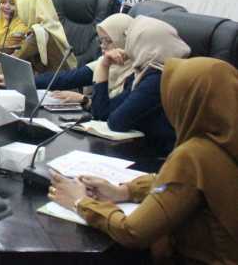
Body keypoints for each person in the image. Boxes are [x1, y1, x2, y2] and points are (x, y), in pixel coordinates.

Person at [48, 57, 238, 263]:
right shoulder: (227, 140)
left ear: (186, 102)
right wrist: (125, 191)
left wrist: (80, 202)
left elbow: (132, 232)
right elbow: (178, 185)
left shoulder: (194, 155)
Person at [88, 16, 188, 154]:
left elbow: (116, 122)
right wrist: (104, 65)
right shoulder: (143, 73)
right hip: (143, 148)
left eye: (133, 41)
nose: (129, 46)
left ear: (145, 44)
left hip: (162, 156)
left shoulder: (158, 78)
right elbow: (102, 113)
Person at [34, 13, 135, 108]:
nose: (102, 46)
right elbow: (68, 78)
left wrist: (84, 99)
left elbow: (109, 110)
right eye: (101, 41)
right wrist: (30, 82)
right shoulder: (104, 62)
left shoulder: (136, 74)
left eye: (108, 41)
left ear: (126, 41)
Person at [9, 0, 75, 74]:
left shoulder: (39, 33)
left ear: (29, 10)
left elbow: (16, 59)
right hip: (64, 76)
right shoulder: (54, 25)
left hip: (54, 80)